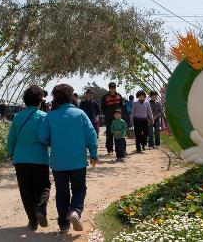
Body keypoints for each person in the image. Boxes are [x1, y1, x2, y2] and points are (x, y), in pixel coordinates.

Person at [38, 84, 98, 234]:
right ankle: (75, 211)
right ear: (71, 96)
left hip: (58, 162)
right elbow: (91, 134)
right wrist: (94, 154)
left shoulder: (50, 116)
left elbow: (42, 137)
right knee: (79, 188)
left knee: (62, 192)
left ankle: (64, 225)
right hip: (77, 160)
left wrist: (53, 140)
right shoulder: (80, 114)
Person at [7, 85, 51, 231]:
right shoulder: (44, 117)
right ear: (40, 101)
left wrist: (10, 153)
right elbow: (47, 138)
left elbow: (11, 138)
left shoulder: (18, 116)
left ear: (25, 101)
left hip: (20, 158)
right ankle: (40, 209)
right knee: (43, 186)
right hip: (39, 157)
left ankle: (32, 221)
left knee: (26, 190)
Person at [101, 82, 123, 154]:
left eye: (114, 88)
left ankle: (119, 150)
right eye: (111, 88)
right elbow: (103, 108)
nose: (113, 90)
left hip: (118, 120)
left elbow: (122, 107)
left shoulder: (119, 96)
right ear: (109, 88)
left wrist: (121, 116)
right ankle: (110, 149)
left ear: (115, 88)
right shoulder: (105, 97)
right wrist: (107, 114)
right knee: (109, 135)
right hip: (109, 119)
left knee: (118, 135)